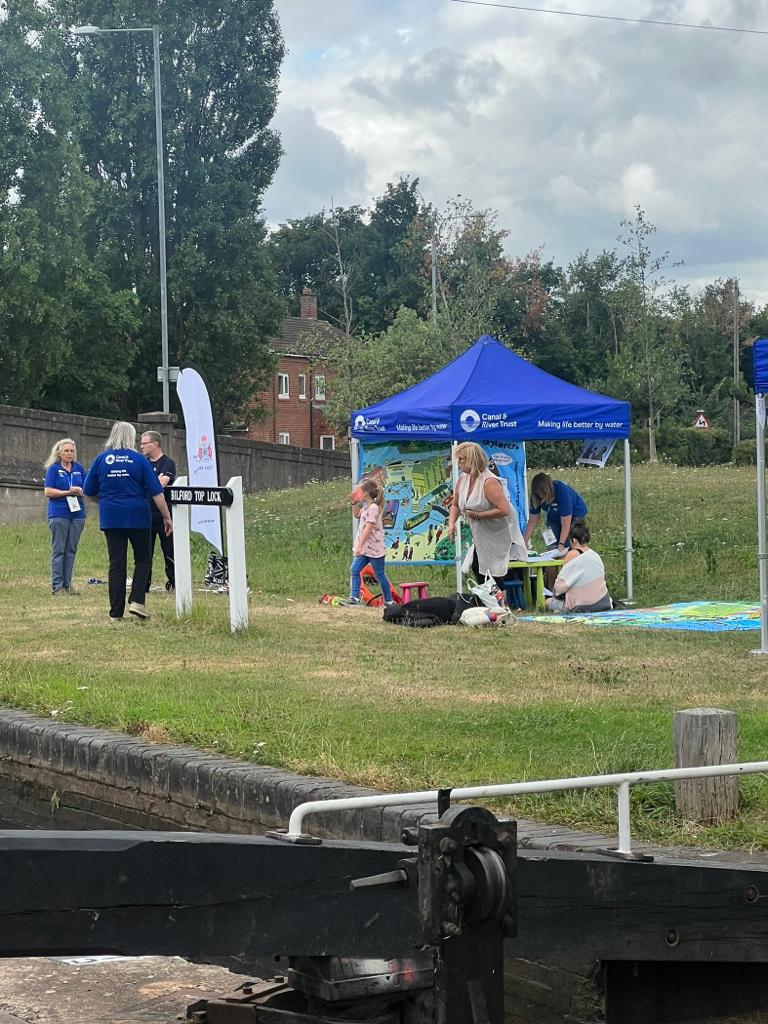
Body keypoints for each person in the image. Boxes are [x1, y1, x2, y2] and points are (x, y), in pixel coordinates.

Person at [83, 421, 173, 625]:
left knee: (116, 563)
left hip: (111, 516)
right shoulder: (139, 460)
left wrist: (105, 501)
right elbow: (156, 492)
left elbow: (88, 490)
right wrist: (167, 517)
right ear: (131, 437)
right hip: (137, 516)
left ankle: (115, 613)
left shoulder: (101, 459)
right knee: (142, 559)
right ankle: (137, 601)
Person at [447, 441, 527, 594]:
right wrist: (451, 524)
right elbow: (456, 505)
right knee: (479, 567)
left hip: (498, 530)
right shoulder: (462, 479)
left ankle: (499, 604)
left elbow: (504, 509)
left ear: (471, 460)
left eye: (461, 459)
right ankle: (491, 601)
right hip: (481, 532)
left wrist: (478, 515)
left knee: (489, 569)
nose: (458, 463)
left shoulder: (489, 481)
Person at [43, 438, 87, 596]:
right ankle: (57, 586)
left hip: (77, 513)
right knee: (59, 549)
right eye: (66, 451)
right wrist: (68, 492)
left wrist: (80, 491)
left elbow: (87, 487)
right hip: (59, 512)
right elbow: (48, 492)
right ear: (59, 453)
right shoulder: (53, 469)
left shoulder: (79, 468)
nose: (69, 454)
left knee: (71, 549)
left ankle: (68, 585)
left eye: (72, 451)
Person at [339, 479, 394, 607]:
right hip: (365, 549)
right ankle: (354, 598)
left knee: (379, 575)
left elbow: (368, 528)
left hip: (374, 549)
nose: (357, 493)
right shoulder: (366, 507)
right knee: (354, 569)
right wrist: (354, 502)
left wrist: (359, 546)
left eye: (358, 492)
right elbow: (357, 515)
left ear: (365, 494)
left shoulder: (374, 508)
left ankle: (389, 601)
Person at [546, 520, 612, 613]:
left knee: (548, 602)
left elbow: (558, 588)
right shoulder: (595, 555)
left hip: (581, 606)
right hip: (603, 602)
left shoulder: (572, 555)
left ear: (574, 541)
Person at [139, 430, 176, 593]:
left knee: (169, 549)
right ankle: (144, 584)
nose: (141, 446)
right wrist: (151, 482)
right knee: (145, 551)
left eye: (144, 443)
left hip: (163, 514)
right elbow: (139, 485)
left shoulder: (167, 463)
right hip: (145, 514)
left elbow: (160, 485)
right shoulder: (142, 463)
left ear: (155, 444)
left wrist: (149, 483)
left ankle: (174, 581)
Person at [523, 473, 588, 555]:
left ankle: (572, 562)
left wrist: (561, 544)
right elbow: (532, 521)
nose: (541, 498)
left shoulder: (561, 491)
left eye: (543, 495)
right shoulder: (535, 497)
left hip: (574, 514)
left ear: (548, 490)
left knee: (569, 545)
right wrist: (524, 542)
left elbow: (565, 524)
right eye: (538, 496)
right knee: (551, 548)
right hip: (553, 515)